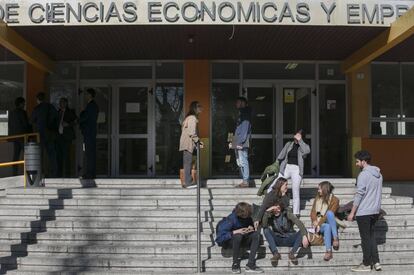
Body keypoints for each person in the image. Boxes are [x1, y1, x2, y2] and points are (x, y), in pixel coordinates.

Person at [348, 150, 383, 272]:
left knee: (365, 239)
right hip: (374, 211)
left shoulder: (363, 175)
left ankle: (366, 264)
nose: (356, 164)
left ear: (364, 161)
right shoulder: (379, 174)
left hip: (364, 212)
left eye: (357, 161)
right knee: (371, 237)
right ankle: (376, 262)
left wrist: (352, 213)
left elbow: (359, 195)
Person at [268, 129, 310, 216]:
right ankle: (268, 203)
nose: (297, 137)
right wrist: (276, 163)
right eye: (296, 135)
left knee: (295, 190)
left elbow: (307, 151)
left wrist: (300, 141)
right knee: (274, 183)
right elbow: (282, 154)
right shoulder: (289, 144)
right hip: (287, 167)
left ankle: (296, 213)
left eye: (299, 135)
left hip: (297, 169)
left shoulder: (303, 146)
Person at [215, 202, 263, 274]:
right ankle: (235, 264)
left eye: (248, 216)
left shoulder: (248, 216)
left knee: (256, 235)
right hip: (230, 241)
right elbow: (219, 239)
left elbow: (250, 224)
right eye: (246, 216)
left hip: (243, 239)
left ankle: (250, 264)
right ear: (241, 215)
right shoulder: (231, 219)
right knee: (238, 236)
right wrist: (234, 232)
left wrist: (250, 228)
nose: (248, 217)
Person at [262, 200, 309, 267]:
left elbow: (299, 223)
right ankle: (275, 254)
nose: (276, 210)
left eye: (278, 208)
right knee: (265, 230)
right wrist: (267, 212)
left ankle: (292, 254)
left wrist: (304, 235)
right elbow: (264, 225)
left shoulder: (287, 214)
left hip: (289, 238)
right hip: (278, 239)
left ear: (281, 208)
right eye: (274, 209)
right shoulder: (270, 216)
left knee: (301, 232)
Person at [31, 92, 59, 177]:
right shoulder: (51, 107)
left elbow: (31, 120)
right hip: (50, 134)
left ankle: (41, 173)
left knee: (40, 155)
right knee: (52, 154)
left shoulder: (37, 109)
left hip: (40, 135)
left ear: (38, 99)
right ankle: (54, 173)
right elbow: (56, 117)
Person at [310, 181, 340, 261]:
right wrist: (314, 221)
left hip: (330, 222)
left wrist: (318, 224)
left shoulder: (335, 200)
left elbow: (327, 216)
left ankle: (335, 239)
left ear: (324, 189)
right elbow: (313, 212)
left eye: (319, 189)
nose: (318, 191)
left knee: (330, 214)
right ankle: (329, 250)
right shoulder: (317, 198)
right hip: (320, 224)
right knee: (326, 226)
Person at [179, 101, 203, 189]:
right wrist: (198, 141)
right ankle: (188, 183)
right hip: (188, 143)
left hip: (186, 143)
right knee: (188, 163)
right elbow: (192, 132)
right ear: (195, 108)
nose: (201, 108)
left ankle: (187, 182)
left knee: (187, 162)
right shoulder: (192, 118)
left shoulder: (189, 117)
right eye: (199, 106)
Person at [229, 97, 252, 188]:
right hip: (237, 139)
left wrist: (241, 141)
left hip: (241, 140)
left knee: (243, 160)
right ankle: (244, 180)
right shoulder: (241, 112)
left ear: (243, 103)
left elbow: (245, 127)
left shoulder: (245, 112)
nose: (236, 104)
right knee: (239, 161)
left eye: (238, 102)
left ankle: (246, 181)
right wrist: (234, 140)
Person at [8, 97, 32, 175]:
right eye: (23, 103)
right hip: (23, 137)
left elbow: (10, 125)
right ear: (20, 103)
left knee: (16, 156)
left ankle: (14, 173)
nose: (24, 104)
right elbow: (26, 124)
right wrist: (30, 135)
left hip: (15, 137)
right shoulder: (22, 112)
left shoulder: (11, 113)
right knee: (27, 155)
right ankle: (29, 174)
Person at [79, 89, 99, 179]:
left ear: (90, 95)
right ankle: (91, 173)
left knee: (89, 153)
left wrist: (78, 118)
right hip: (90, 132)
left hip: (89, 133)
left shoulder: (91, 106)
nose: (85, 95)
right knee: (90, 153)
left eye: (87, 94)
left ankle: (90, 173)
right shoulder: (92, 105)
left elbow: (86, 117)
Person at [56, 97, 77, 178]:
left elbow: (76, 121)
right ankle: (59, 174)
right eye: (60, 102)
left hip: (67, 137)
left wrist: (68, 124)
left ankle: (67, 174)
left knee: (66, 156)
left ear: (66, 103)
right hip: (58, 137)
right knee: (59, 156)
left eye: (62, 102)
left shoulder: (70, 112)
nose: (61, 104)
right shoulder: (58, 112)